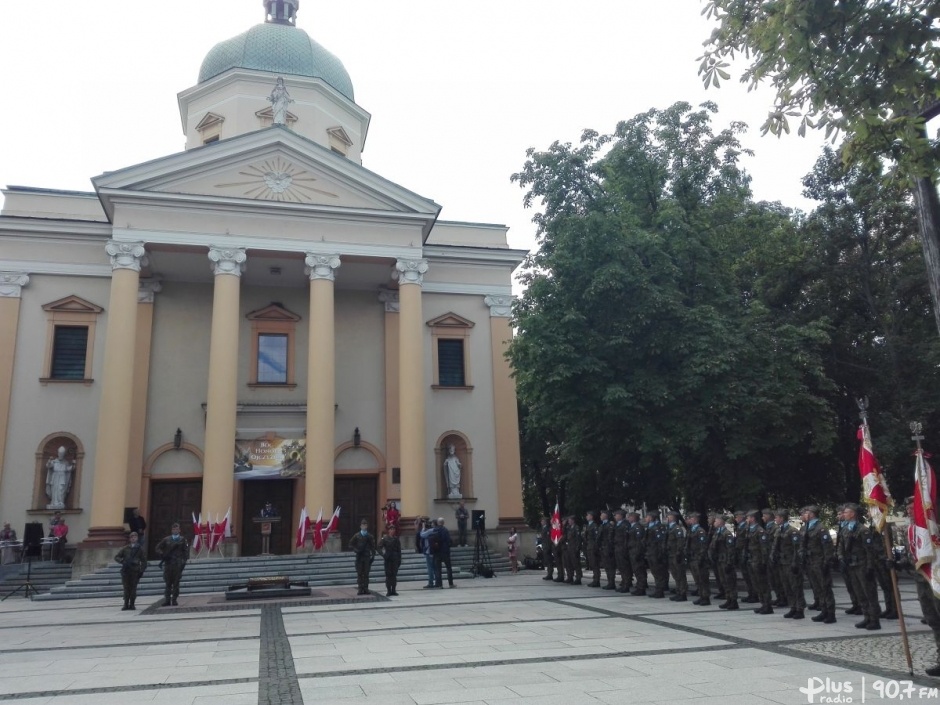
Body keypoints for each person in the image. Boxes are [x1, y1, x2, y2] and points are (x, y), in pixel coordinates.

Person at [900, 496, 940, 677]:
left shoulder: (933, 528)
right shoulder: (911, 530)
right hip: (920, 580)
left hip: (936, 579)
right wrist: (898, 563)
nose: (909, 511)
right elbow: (913, 556)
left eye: (912, 508)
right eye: (908, 509)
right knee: (932, 619)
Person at [837, 503, 881, 630]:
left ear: (853, 514)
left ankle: (874, 619)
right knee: (859, 593)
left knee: (869, 593)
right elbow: (841, 546)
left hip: (862, 565)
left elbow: (869, 551)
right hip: (851, 565)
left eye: (846, 512)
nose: (843, 514)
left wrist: (870, 567)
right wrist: (841, 558)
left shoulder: (863, 530)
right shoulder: (845, 529)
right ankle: (866, 617)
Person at [802, 505, 836, 624]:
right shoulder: (808, 526)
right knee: (818, 588)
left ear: (812, 514)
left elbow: (827, 546)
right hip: (811, 561)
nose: (805, 514)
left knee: (825, 588)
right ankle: (824, 610)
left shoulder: (820, 528)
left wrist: (827, 561)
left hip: (820, 561)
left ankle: (831, 613)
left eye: (806, 512)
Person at [771, 508, 805, 619]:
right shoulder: (779, 530)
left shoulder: (792, 531)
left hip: (791, 562)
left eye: (777, 517)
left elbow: (797, 548)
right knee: (787, 586)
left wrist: (796, 562)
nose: (775, 519)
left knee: (795, 586)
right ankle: (793, 607)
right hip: (782, 562)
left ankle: (800, 608)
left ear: (782, 518)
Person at [155, 522, 190, 606]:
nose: (175, 530)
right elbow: (157, 548)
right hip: (168, 563)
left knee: (176, 583)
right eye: (174, 529)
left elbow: (186, 552)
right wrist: (163, 554)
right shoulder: (166, 539)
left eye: (177, 529)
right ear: (171, 530)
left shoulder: (182, 540)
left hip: (177, 564)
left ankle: (174, 599)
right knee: (168, 583)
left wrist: (183, 561)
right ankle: (167, 599)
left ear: (180, 530)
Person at [711, 514, 739, 610]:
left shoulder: (727, 534)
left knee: (730, 581)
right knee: (724, 581)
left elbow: (731, 549)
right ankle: (728, 599)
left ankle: (734, 601)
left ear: (721, 522)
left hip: (726, 561)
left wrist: (729, 562)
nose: (714, 522)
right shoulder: (717, 533)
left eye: (716, 521)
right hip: (719, 560)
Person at [114, 531, 147, 610]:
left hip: (135, 570)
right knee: (126, 588)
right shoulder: (125, 548)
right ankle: (126, 604)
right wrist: (122, 561)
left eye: (135, 537)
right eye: (132, 537)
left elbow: (144, 561)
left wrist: (141, 570)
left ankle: (132, 604)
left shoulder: (140, 549)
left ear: (137, 538)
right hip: (126, 571)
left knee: (133, 588)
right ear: (130, 539)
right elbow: (117, 557)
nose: (133, 538)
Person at [687, 512, 711, 606]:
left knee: (702, 579)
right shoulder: (692, 530)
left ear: (696, 519)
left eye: (692, 518)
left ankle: (706, 597)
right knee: (697, 579)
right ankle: (701, 596)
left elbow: (703, 546)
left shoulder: (700, 531)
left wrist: (701, 557)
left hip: (699, 558)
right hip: (693, 557)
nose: (690, 520)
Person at [348, 519, 376, 595]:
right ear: (360, 526)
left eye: (365, 525)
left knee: (366, 573)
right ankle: (360, 588)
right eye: (363, 525)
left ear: (367, 526)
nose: (364, 526)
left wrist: (373, 555)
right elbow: (350, 544)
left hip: (367, 557)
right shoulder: (356, 536)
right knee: (360, 573)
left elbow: (373, 546)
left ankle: (366, 588)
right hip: (359, 557)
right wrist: (356, 550)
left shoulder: (369, 536)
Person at [645, 512, 669, 598]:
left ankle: (660, 591)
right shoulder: (649, 527)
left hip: (655, 553)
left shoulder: (657, 528)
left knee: (658, 572)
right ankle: (658, 589)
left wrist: (660, 554)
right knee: (655, 572)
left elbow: (660, 542)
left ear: (651, 518)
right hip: (650, 553)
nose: (645, 518)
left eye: (647, 517)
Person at [666, 510, 688, 602]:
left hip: (676, 555)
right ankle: (678, 591)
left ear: (672, 518)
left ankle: (683, 593)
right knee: (675, 575)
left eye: (668, 516)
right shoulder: (670, 528)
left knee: (680, 574)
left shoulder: (677, 529)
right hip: (671, 554)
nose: (667, 518)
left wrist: (679, 553)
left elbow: (680, 542)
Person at [628, 511, 648, 596]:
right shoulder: (632, 527)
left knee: (639, 570)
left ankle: (641, 588)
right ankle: (639, 586)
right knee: (636, 570)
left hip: (636, 552)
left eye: (629, 517)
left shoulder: (637, 527)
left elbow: (639, 542)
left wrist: (638, 553)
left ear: (633, 518)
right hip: (632, 551)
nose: (628, 518)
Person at [378, 524, 401, 596]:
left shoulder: (396, 539)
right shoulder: (385, 539)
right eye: (391, 529)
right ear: (388, 530)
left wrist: (399, 559)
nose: (392, 530)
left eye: (393, 529)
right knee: (388, 575)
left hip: (395, 558)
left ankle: (393, 590)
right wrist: (383, 554)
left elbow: (399, 550)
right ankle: (389, 590)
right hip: (388, 558)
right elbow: (379, 547)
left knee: (394, 575)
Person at [433, 517, 455, 588]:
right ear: (443, 523)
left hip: (437, 552)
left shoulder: (434, 530)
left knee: (438, 569)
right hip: (445, 551)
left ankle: (440, 585)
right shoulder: (445, 530)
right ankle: (450, 584)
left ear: (438, 522)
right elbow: (448, 540)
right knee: (448, 568)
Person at [418, 518, 438, 587]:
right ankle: (438, 582)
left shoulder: (430, 531)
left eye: (432, 523)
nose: (430, 524)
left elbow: (422, 535)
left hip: (429, 551)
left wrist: (423, 528)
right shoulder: (438, 530)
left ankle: (430, 582)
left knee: (430, 568)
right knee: (435, 567)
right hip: (435, 551)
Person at [583, 511, 600, 587]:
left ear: (591, 517)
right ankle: (595, 579)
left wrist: (595, 547)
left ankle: (596, 580)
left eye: (588, 515)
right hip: (589, 546)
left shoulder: (594, 526)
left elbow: (596, 538)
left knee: (595, 564)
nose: (586, 517)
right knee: (592, 564)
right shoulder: (588, 526)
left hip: (593, 547)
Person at [563, 516, 582, 585]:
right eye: (568, 520)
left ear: (573, 521)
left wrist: (577, 548)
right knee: (569, 563)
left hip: (574, 548)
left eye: (570, 520)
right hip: (569, 548)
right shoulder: (569, 528)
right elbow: (565, 534)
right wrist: (564, 525)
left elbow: (578, 539)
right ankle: (570, 577)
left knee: (576, 564)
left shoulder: (576, 528)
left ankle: (578, 578)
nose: (568, 521)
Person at [539, 516, 555, 581]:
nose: (541, 522)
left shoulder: (548, 529)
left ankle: (550, 574)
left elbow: (548, 539)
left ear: (545, 522)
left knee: (549, 561)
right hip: (544, 546)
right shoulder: (543, 528)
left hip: (547, 546)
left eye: (542, 521)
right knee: (547, 561)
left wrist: (548, 547)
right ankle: (549, 573)